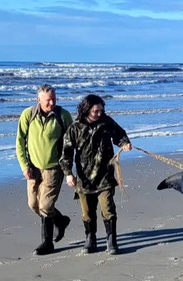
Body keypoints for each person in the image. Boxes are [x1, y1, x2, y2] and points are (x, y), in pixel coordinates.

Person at [60, 94, 132, 255]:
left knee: (108, 209)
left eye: (101, 110)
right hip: (84, 178)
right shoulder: (75, 128)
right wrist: (68, 174)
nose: (99, 113)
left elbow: (119, 135)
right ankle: (90, 239)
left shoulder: (106, 122)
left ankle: (111, 240)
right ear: (86, 110)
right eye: (96, 111)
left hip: (105, 175)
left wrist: (125, 143)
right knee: (87, 212)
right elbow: (66, 152)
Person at [15, 84, 74, 255]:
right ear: (38, 99)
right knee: (33, 204)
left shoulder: (63, 116)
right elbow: (19, 142)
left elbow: (71, 142)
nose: (51, 103)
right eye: (48, 100)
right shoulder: (28, 115)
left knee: (46, 206)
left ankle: (47, 243)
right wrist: (24, 166)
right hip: (33, 169)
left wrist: (68, 168)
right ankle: (61, 220)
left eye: (54, 99)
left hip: (54, 168)